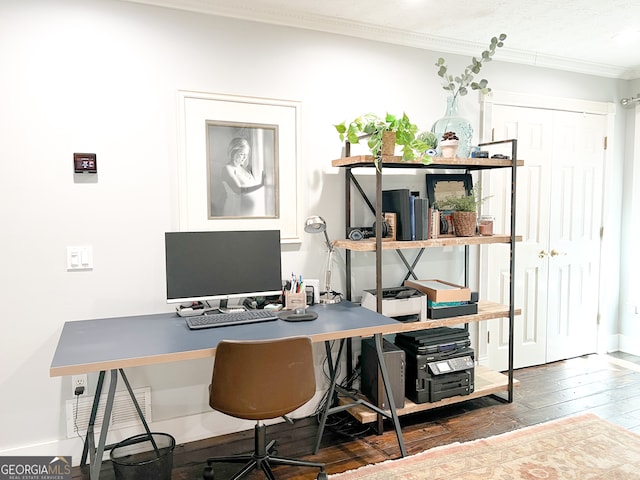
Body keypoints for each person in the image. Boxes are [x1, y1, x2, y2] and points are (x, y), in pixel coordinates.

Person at [220, 137, 265, 216]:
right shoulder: (227, 169)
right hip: (235, 212)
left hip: (250, 213)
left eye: (246, 155)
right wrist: (261, 185)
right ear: (233, 152)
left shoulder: (245, 169)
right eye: (242, 154)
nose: (245, 157)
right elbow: (238, 190)